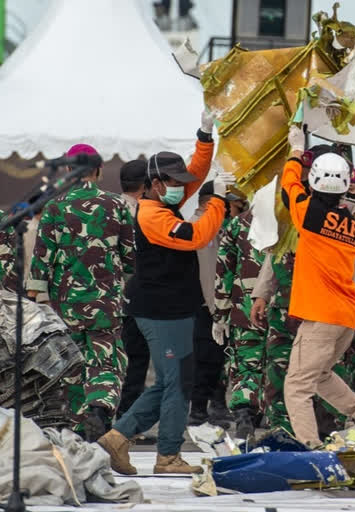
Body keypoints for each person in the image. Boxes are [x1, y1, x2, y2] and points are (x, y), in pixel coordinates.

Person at [99, 112, 229, 475]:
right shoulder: (152, 215)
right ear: (156, 184)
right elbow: (197, 236)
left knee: (174, 382)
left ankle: (116, 439)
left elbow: (197, 171)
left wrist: (205, 135)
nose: (181, 187)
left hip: (171, 307)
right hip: (162, 310)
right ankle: (168, 456)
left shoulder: (163, 199)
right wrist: (217, 202)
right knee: (178, 386)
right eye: (174, 183)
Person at [280, 125, 355, 448]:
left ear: (314, 180)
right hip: (344, 315)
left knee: (297, 385)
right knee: (322, 376)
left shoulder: (309, 213)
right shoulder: (351, 223)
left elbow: (289, 186)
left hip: (320, 315)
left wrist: (295, 152)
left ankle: (310, 448)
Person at [27, 144, 135, 442]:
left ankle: (77, 432)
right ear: (99, 170)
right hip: (106, 303)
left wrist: (38, 301)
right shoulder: (116, 205)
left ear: (67, 171)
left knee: (72, 366)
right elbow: (130, 257)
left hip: (66, 306)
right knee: (106, 361)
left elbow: (41, 263)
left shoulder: (54, 207)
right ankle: (99, 409)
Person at [213, 198, 266, 439]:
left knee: (246, 366)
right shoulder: (295, 219)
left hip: (245, 307)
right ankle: (276, 419)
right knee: (281, 367)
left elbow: (224, 267)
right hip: (284, 309)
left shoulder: (239, 223)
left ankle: (245, 412)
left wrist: (221, 312)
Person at [189, 181, 231, 428]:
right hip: (205, 304)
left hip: (212, 304)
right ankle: (198, 409)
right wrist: (215, 309)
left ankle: (214, 405)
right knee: (205, 357)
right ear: (207, 203)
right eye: (221, 203)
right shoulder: (199, 227)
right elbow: (207, 271)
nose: (225, 209)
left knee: (215, 357)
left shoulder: (212, 227)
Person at [115, 161, 150, 424]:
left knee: (111, 362)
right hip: (136, 298)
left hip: (107, 300)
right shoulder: (144, 212)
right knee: (136, 361)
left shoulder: (109, 207)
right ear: (146, 184)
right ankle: (126, 419)